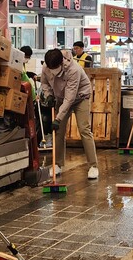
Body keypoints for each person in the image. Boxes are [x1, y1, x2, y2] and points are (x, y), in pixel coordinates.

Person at [40, 49, 99, 180]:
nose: (53, 70)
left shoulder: (74, 70)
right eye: (51, 68)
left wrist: (58, 118)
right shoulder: (46, 66)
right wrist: (48, 95)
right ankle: (57, 164)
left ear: (61, 63)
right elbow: (44, 82)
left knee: (84, 129)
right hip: (60, 98)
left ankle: (93, 166)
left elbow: (70, 99)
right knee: (59, 131)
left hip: (80, 97)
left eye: (55, 68)